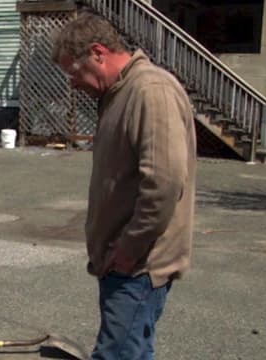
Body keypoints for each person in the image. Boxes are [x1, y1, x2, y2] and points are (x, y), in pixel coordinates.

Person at [51, 12, 196, 359]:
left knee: (118, 353)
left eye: (74, 71)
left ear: (98, 53)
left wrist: (130, 249)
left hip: (138, 265)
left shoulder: (149, 91)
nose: (72, 83)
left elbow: (163, 183)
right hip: (122, 260)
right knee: (127, 348)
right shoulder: (119, 93)